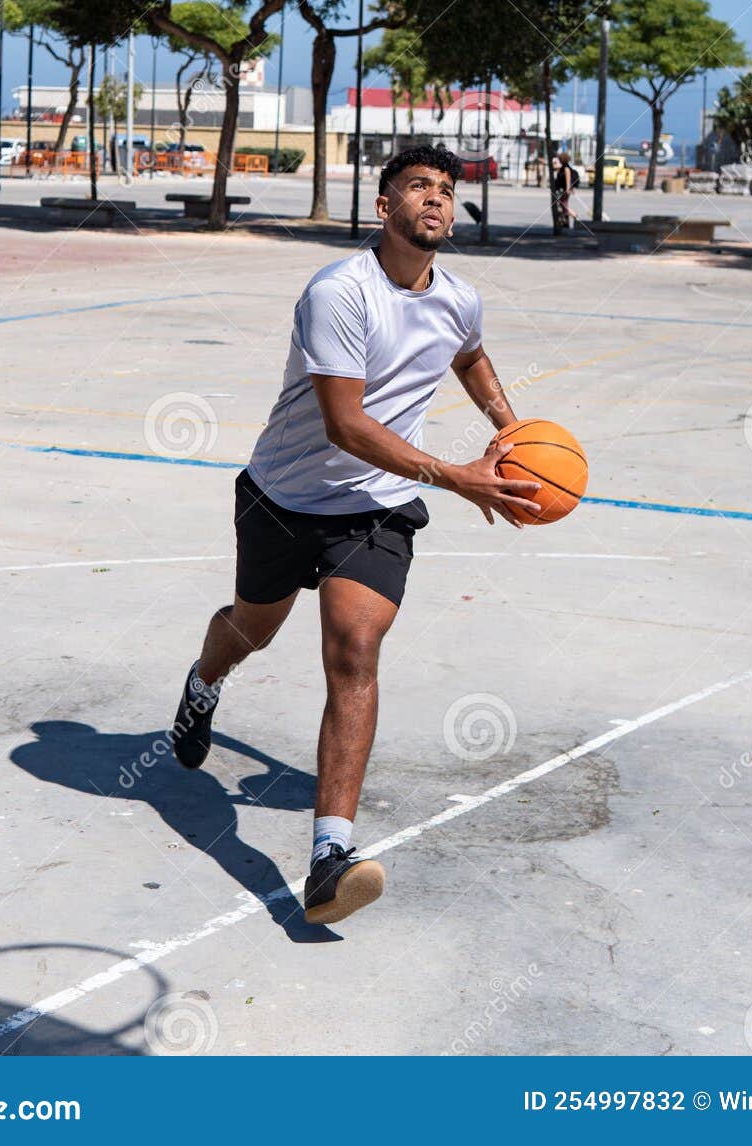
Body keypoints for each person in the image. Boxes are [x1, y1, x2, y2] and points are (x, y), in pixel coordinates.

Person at [171, 145, 541, 927]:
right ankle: (202, 684)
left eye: (445, 191)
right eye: (418, 188)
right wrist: (455, 474)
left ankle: (328, 858)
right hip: (284, 496)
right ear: (383, 208)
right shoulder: (339, 293)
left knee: (354, 650)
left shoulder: (458, 298)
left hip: (376, 507)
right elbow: (344, 424)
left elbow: (468, 356)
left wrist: (509, 428)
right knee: (251, 630)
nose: (435, 201)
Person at [552, 151, 580, 232]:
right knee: (562, 206)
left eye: (559, 159)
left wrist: (568, 190)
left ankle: (574, 215)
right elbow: (553, 167)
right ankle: (564, 221)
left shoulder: (566, 169)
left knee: (563, 206)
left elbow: (568, 180)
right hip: (561, 190)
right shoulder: (561, 168)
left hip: (564, 190)